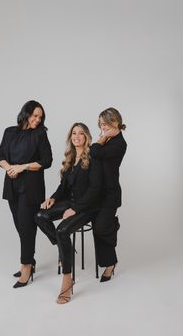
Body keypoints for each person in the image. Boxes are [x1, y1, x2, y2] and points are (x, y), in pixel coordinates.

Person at [35, 123, 102, 304]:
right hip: (69, 202)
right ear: (70, 137)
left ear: (86, 137)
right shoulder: (70, 157)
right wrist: (53, 199)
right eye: (74, 133)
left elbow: (95, 189)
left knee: (62, 231)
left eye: (81, 133)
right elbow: (63, 187)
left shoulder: (93, 156)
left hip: (87, 206)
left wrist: (75, 209)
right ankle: (64, 250)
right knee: (40, 215)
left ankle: (67, 279)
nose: (77, 136)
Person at [0, 100, 53, 288]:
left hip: (31, 187)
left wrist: (23, 166)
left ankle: (26, 267)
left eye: (40, 117)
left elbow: (47, 161)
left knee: (27, 227)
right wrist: (10, 168)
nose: (37, 119)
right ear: (25, 113)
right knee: (20, 226)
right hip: (12, 185)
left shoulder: (40, 135)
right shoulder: (9, 132)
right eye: (35, 115)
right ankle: (31, 259)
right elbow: (0, 157)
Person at [90, 107, 127, 282]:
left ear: (115, 122)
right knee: (97, 229)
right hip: (97, 192)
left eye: (105, 124)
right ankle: (109, 264)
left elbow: (95, 152)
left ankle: (113, 225)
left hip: (110, 193)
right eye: (100, 125)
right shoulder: (107, 139)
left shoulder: (119, 143)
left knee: (100, 227)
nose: (102, 128)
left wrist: (102, 137)